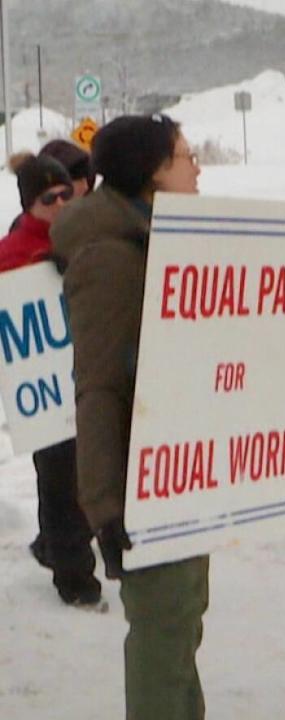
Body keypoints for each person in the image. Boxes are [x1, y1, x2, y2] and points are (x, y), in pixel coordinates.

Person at [51, 114, 208, 719]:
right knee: (164, 634)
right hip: (144, 483)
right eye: (185, 156)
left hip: (185, 467)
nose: (197, 167)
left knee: (181, 625)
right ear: (152, 175)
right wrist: (107, 509)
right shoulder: (113, 257)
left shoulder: (165, 238)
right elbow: (98, 389)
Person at [0, 152, 102, 608]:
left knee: (91, 474)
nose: (62, 203)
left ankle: (55, 545)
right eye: (49, 198)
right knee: (60, 479)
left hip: (91, 379)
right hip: (44, 391)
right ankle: (73, 574)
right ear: (28, 205)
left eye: (67, 193)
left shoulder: (90, 236)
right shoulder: (11, 254)